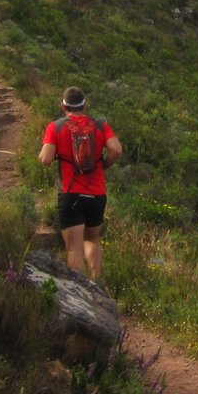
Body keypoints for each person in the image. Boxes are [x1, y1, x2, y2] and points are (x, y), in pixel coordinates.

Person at [38, 86, 122, 282]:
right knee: (92, 239)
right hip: (97, 194)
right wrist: (103, 166)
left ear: (63, 106)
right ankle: (97, 283)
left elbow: (45, 159)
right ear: (84, 105)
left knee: (74, 248)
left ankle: (79, 290)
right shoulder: (100, 125)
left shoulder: (56, 127)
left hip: (71, 194)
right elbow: (116, 149)